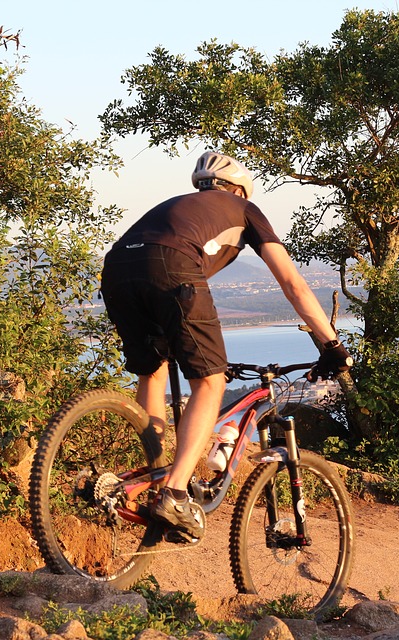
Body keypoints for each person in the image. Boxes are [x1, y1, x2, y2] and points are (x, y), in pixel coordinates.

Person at [100, 151, 352, 542]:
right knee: (210, 383)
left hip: (116, 269)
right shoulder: (245, 209)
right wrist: (331, 344)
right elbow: (293, 284)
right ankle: (176, 492)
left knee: (152, 372)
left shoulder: (177, 207)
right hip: (171, 267)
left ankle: (155, 475)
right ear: (238, 189)